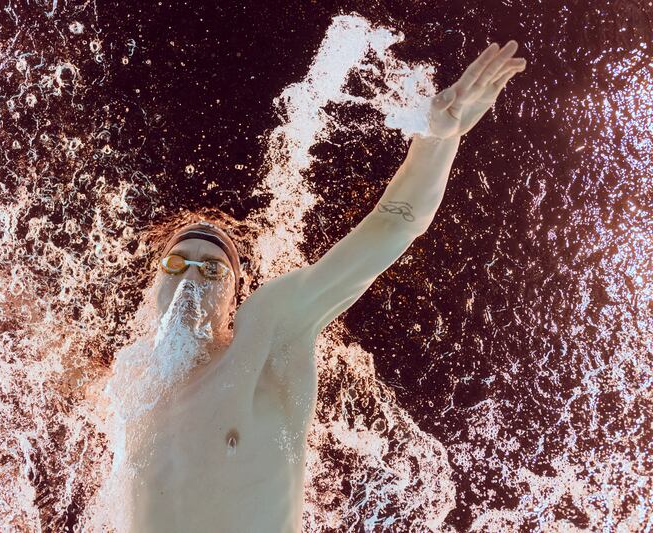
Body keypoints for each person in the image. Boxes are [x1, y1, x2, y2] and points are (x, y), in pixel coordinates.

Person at [125, 41, 527, 532]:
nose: (192, 277)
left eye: (213, 270)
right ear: (155, 281)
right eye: (179, 262)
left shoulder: (265, 340)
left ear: (235, 295)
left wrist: (436, 141)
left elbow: (393, 225)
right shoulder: (126, 391)